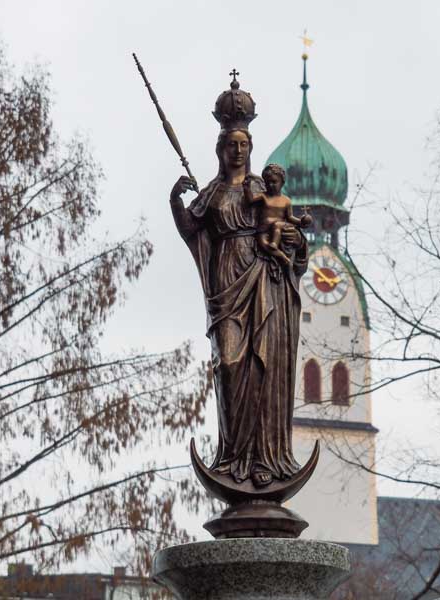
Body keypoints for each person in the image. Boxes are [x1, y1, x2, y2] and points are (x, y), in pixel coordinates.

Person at [169, 123, 309, 488]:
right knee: (229, 364)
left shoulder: (262, 189)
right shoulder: (212, 192)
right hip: (226, 285)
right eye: (231, 144)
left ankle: (265, 459)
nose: (238, 150)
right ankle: (233, 458)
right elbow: (191, 228)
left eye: (244, 144)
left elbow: (288, 232)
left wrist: (296, 240)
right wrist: (175, 201)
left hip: (264, 278)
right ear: (220, 149)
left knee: (265, 365)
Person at [244, 163, 312, 266]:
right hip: (263, 230)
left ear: (282, 182)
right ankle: (281, 256)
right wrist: (246, 188)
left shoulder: (286, 200)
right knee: (264, 244)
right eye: (267, 183)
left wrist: (300, 222)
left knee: (278, 224)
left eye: (274, 182)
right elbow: (250, 200)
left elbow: (289, 217)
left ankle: (274, 243)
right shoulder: (263, 196)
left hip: (279, 228)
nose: (270, 185)